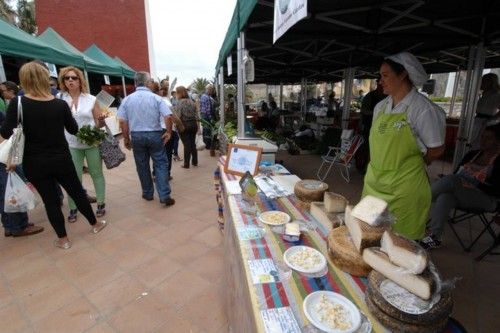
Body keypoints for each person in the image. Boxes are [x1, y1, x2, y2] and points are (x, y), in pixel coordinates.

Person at [0, 61, 106, 249]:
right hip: (62, 158)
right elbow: (73, 129)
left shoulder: (18, 103)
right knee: (76, 192)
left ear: (23, 80)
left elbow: (7, 132)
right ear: (45, 79)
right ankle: (95, 224)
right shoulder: (59, 104)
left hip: (34, 161)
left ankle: (64, 240)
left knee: (50, 201)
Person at [362, 52, 446, 240]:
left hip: (404, 189)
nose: (380, 81)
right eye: (380, 76)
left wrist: (415, 163)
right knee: (368, 237)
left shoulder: (422, 109)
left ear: (403, 75)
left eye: (385, 75)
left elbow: (437, 149)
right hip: (374, 184)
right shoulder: (381, 107)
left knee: (400, 243)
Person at [421, 124, 500, 249]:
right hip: (462, 192)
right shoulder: (472, 154)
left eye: (488, 138)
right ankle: (434, 237)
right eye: (482, 137)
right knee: (445, 196)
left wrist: (475, 182)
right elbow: (457, 173)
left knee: (452, 180)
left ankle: (419, 200)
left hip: (487, 199)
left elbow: (497, 191)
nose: (483, 140)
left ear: (498, 141)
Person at [58, 66, 107, 223]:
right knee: (73, 178)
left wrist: (101, 121)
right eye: (67, 78)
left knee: (96, 173)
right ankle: (73, 207)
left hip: (91, 142)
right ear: (63, 81)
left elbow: (99, 125)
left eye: (74, 77)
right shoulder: (60, 99)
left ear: (80, 80)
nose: (70, 80)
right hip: (71, 144)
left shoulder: (91, 99)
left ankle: (100, 203)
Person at [118, 71, 175, 206]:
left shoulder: (127, 99)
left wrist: (126, 138)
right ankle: (164, 194)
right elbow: (168, 116)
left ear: (136, 83)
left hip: (137, 135)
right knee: (161, 163)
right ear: (148, 82)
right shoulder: (156, 98)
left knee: (142, 165)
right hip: (155, 134)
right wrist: (168, 132)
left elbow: (123, 121)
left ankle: (147, 193)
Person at [0, 109, 43, 237]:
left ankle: (9, 225)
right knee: (12, 190)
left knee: (4, 191)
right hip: (3, 155)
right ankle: (18, 226)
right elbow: (5, 128)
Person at [357, 78, 387, 172]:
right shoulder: (370, 96)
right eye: (380, 83)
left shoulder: (388, 96)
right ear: (378, 84)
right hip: (369, 126)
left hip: (383, 127)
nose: (382, 85)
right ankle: (365, 167)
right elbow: (363, 111)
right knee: (367, 147)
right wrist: (376, 113)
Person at [470, 73, 500, 150]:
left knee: (479, 143)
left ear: (490, 82)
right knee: (472, 142)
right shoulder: (484, 94)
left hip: (485, 121)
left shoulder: (495, 95)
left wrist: (490, 119)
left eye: (483, 81)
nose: (481, 83)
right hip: (478, 120)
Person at [174, 86, 200, 168]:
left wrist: (176, 125)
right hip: (193, 125)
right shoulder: (192, 102)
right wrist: (198, 127)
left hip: (184, 125)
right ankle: (195, 161)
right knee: (192, 143)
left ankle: (186, 164)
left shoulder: (179, 103)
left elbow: (178, 116)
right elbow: (197, 116)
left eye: (176, 93)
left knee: (186, 145)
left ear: (179, 93)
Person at [200, 84, 216, 149]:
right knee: (207, 130)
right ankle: (207, 145)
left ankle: (205, 143)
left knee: (205, 129)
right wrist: (210, 117)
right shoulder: (206, 97)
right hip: (206, 115)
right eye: (211, 90)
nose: (212, 91)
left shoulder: (204, 96)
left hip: (204, 115)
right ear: (209, 89)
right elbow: (208, 108)